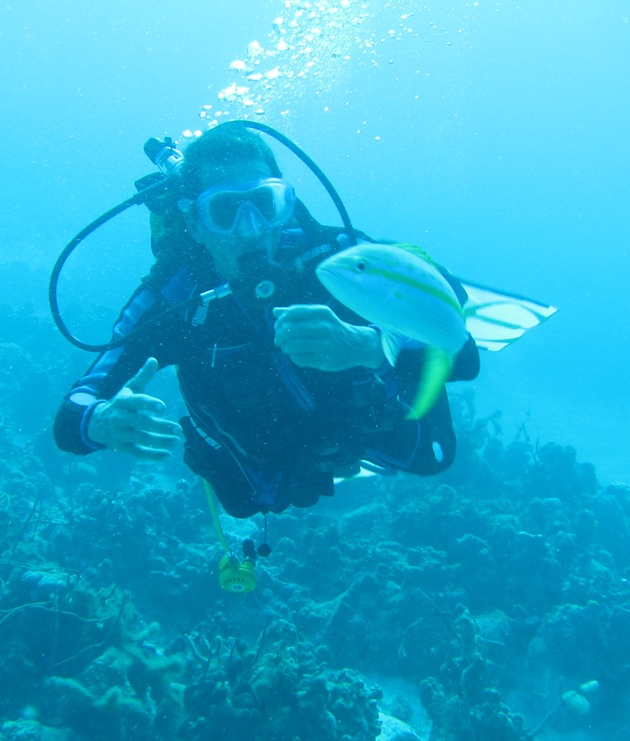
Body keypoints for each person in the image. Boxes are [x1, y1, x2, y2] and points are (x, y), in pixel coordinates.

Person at [53, 122, 480, 520]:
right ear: (195, 224)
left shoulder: (340, 261)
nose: (251, 229)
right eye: (225, 211)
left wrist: (370, 347)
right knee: (246, 503)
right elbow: (71, 418)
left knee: (434, 457)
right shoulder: (173, 300)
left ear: (286, 204)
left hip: (356, 420)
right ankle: (221, 450)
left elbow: (466, 358)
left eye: (264, 204)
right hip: (264, 444)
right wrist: (102, 421)